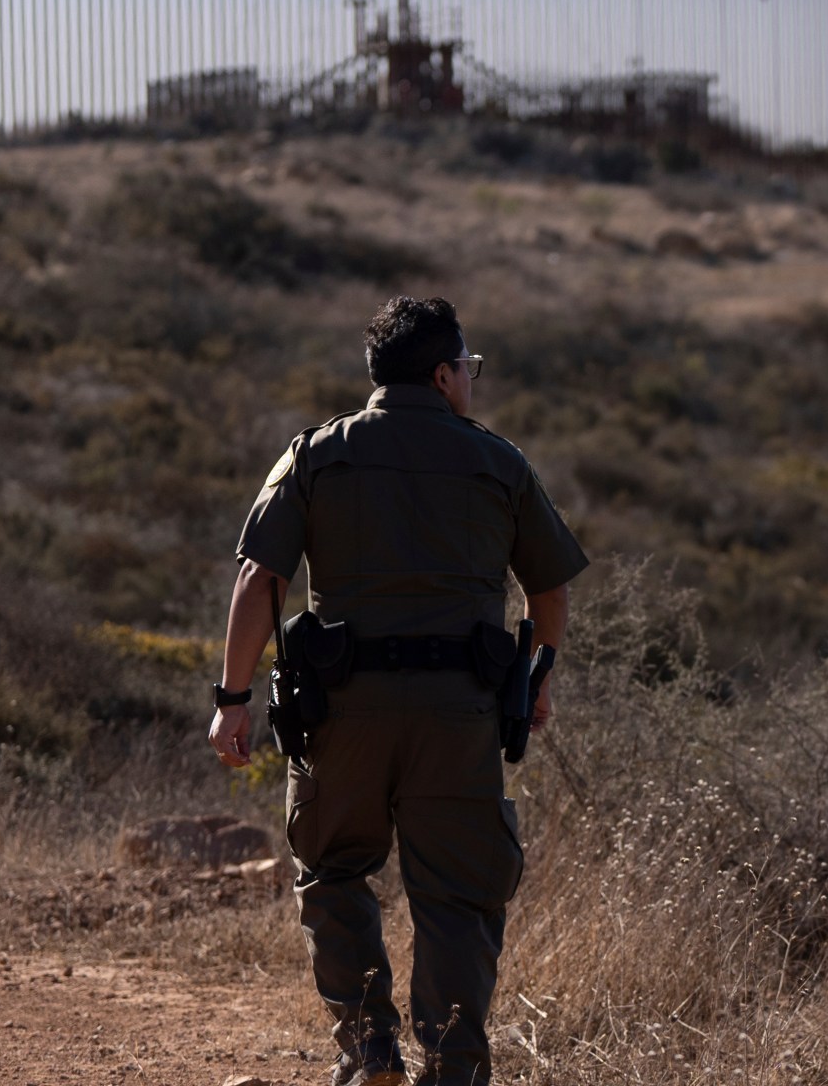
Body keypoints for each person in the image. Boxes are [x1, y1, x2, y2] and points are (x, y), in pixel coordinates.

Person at [208, 296, 589, 1086]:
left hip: (340, 711)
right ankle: (451, 1066)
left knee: (334, 870)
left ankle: (369, 1049)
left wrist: (232, 698)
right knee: (456, 896)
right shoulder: (500, 463)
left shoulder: (318, 453)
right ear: (445, 374)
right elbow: (549, 590)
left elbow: (260, 580)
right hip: (460, 714)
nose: (471, 383)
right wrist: (538, 676)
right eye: (469, 370)